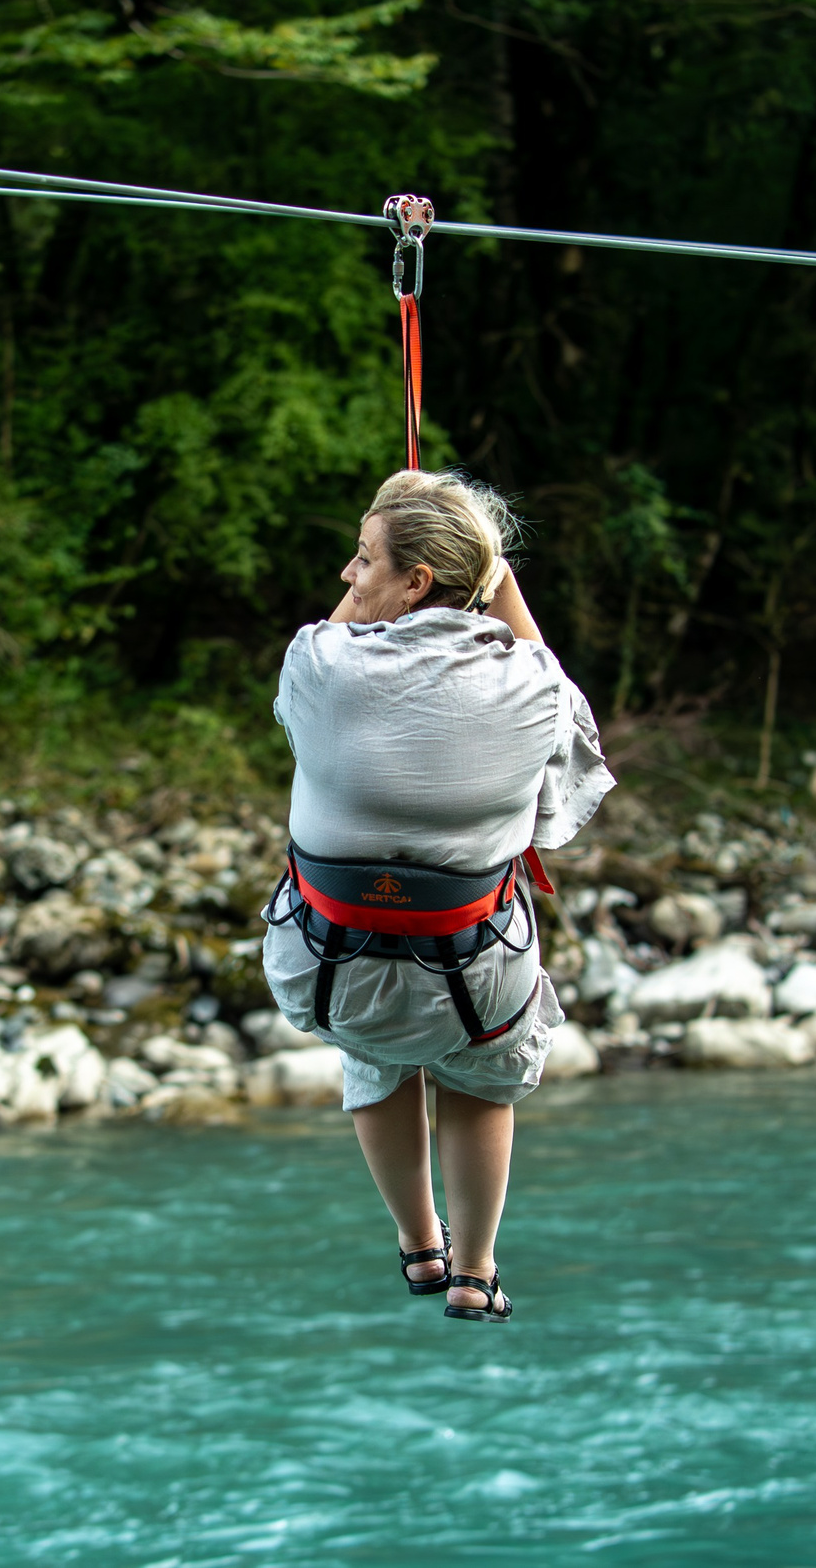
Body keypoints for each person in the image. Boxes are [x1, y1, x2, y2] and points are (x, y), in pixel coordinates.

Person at [262, 469, 614, 1323]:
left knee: (376, 1045)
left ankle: (420, 1241)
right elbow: (551, 692)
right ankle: (477, 1266)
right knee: (482, 1072)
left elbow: (335, 632)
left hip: (327, 971)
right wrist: (486, 570)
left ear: (416, 582)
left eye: (364, 557)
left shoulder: (316, 667)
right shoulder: (533, 689)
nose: (348, 574)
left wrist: (402, 527)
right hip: (475, 981)